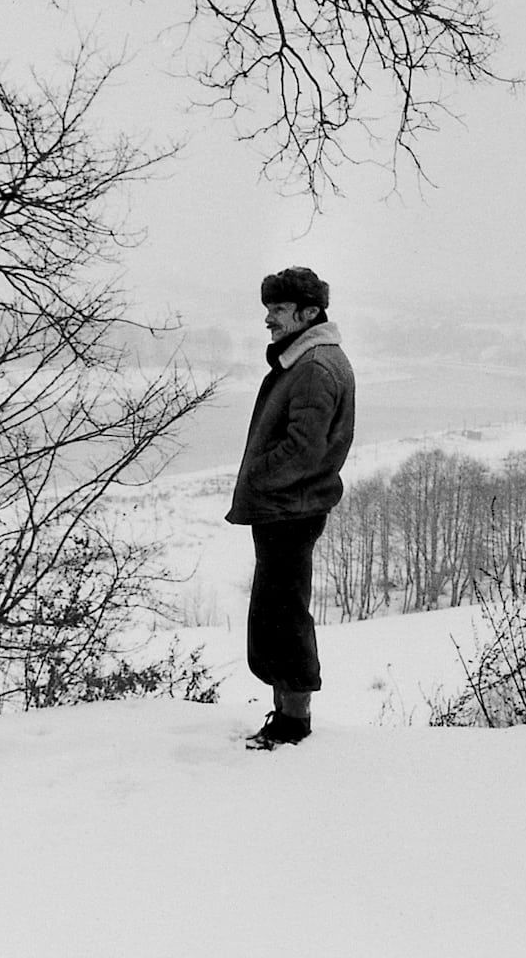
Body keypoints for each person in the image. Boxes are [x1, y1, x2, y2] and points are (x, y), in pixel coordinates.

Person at [227, 266, 355, 748]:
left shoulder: (315, 368)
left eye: (278, 311)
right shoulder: (308, 360)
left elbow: (303, 450)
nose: (269, 320)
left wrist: (261, 476)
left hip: (290, 509)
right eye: (268, 310)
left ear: (309, 312)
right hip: (287, 508)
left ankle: (293, 722)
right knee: (275, 611)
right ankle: (285, 714)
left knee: (283, 614)